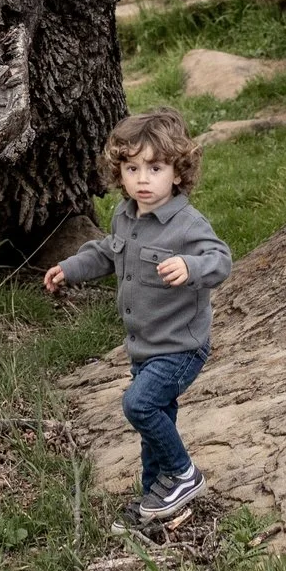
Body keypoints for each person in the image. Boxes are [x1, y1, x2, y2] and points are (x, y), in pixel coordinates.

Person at [44, 110, 232, 522]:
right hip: (143, 346)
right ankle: (156, 499)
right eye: (132, 168)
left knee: (139, 406)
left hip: (181, 346)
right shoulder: (126, 216)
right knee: (155, 423)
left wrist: (190, 267)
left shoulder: (186, 223)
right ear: (119, 172)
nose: (142, 179)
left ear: (178, 173)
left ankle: (184, 475)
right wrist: (71, 268)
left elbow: (219, 259)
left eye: (155, 168)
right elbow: (108, 252)